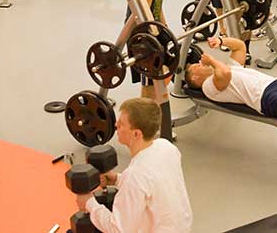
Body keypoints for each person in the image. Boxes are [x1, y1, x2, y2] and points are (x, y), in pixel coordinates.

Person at [185, 35, 277, 183]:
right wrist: (211, 60)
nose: (200, 63)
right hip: (265, 97)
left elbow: (240, 46)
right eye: (196, 66)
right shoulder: (209, 87)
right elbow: (225, 74)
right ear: (195, 79)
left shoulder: (230, 67)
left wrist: (220, 41)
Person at [76, 97, 192, 233]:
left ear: (136, 134)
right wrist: (117, 179)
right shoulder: (166, 147)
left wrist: (89, 203)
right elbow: (153, 184)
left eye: (121, 124)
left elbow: (118, 230)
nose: (115, 126)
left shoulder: (135, 176)